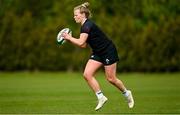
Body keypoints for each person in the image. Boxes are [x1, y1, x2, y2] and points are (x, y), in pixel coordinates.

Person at [62, 2, 134, 111]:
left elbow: (81, 43)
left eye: (76, 15)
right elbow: (84, 44)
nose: (74, 17)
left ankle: (126, 93)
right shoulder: (84, 26)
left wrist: (69, 38)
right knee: (87, 74)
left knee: (111, 78)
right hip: (98, 52)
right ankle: (101, 97)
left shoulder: (87, 26)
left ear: (83, 15)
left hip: (108, 51)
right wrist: (70, 39)